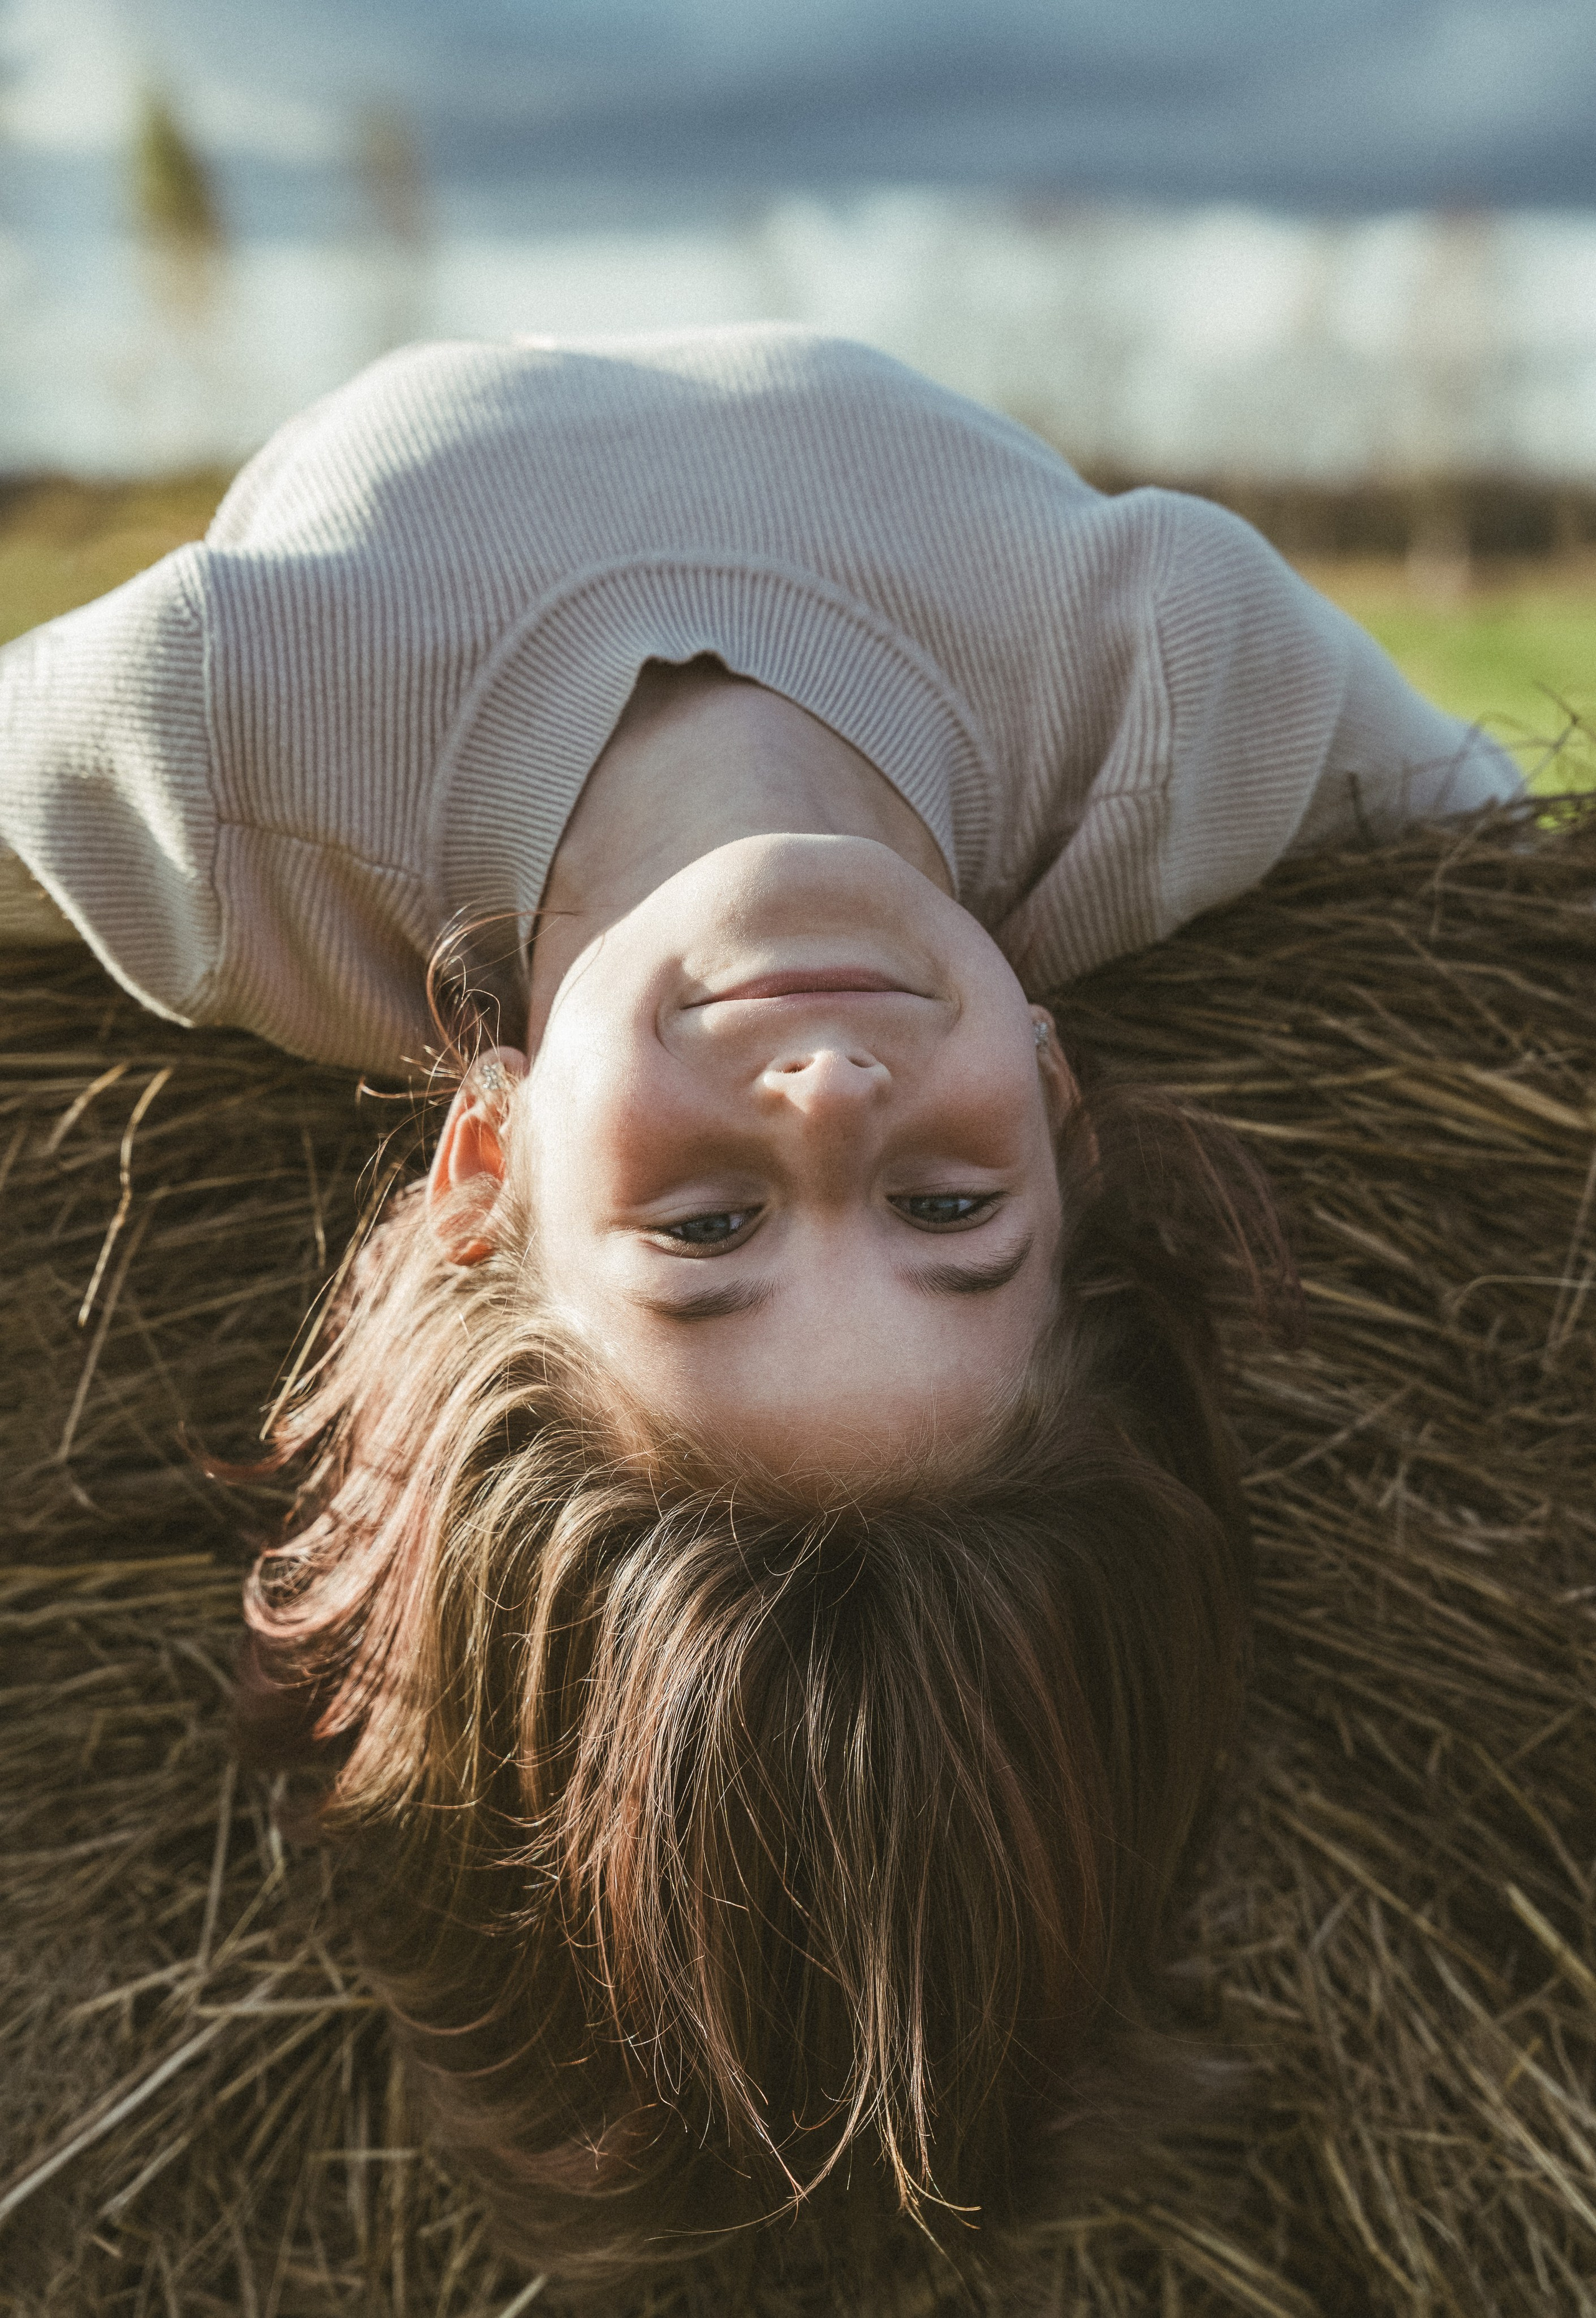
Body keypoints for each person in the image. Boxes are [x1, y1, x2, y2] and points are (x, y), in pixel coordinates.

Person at [0, 327, 1519, 2286]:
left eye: (704, 1233)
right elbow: (1520, 879)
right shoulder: (1176, 689)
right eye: (952, 1210)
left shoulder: (207, 778)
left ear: (483, 1169)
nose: (825, 1100)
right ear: (1065, 1107)